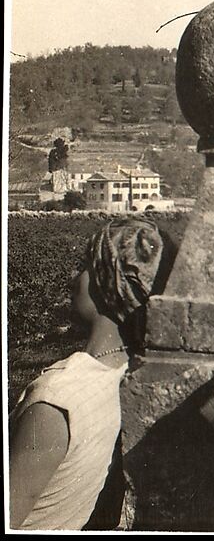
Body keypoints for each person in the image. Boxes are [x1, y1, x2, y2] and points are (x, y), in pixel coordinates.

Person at [9, 217, 167, 531]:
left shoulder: (57, 398)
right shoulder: (127, 376)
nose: (72, 276)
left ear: (107, 281)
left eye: (83, 266)